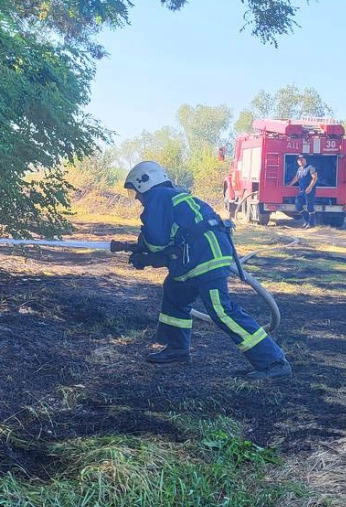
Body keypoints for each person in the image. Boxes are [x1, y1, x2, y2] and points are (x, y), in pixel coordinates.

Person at [123, 161, 292, 379]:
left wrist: (144, 254)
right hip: (200, 256)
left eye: (136, 191)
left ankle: (274, 362)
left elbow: (157, 241)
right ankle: (177, 349)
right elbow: (172, 238)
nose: (137, 197)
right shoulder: (173, 196)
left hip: (206, 259)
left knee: (221, 309)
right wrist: (145, 252)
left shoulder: (157, 197)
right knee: (175, 292)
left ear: (144, 183)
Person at [287, 155, 318, 228]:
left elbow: (315, 178)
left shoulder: (311, 168)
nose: (300, 161)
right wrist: (290, 185)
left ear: (305, 160)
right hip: (301, 191)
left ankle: (311, 224)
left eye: (301, 159)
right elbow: (296, 178)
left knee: (310, 207)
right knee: (298, 205)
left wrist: (310, 187)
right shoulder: (299, 169)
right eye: (298, 160)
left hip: (309, 191)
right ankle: (307, 221)